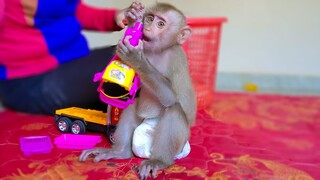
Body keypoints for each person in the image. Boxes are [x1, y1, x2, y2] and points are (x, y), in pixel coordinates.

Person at [0, 1, 143, 115]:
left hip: (73, 59)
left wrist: (115, 16)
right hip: (27, 78)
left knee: (144, 54)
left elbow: (72, 11)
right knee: (135, 66)